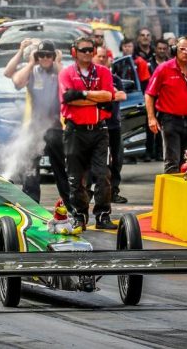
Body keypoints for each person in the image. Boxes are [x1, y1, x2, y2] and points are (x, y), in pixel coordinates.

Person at [59, 36, 124, 230]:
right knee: (75, 177)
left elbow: (108, 96)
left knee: (103, 174)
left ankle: (103, 215)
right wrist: (96, 98)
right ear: (74, 52)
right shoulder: (66, 73)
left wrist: (82, 94)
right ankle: (79, 215)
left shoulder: (103, 72)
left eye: (90, 50)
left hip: (99, 130)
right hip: (74, 131)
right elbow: (68, 98)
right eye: (83, 50)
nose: (87, 53)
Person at [8, 39, 69, 208]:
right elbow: (17, 82)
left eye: (49, 55)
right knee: (30, 166)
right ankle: (31, 202)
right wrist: (30, 62)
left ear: (54, 56)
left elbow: (68, 84)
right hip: (35, 128)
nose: (45, 58)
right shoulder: (32, 71)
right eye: (41, 55)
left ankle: (71, 203)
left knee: (61, 167)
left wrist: (58, 62)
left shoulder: (59, 72)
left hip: (55, 127)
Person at [145, 37, 187, 173]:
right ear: (175, 50)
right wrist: (151, 118)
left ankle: (184, 186)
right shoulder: (163, 69)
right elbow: (149, 94)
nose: (186, 52)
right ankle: (171, 186)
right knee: (172, 161)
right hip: (170, 120)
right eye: (182, 49)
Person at [96, 46, 128, 204]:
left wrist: (107, 95)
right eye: (99, 56)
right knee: (96, 161)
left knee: (117, 160)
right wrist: (111, 95)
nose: (102, 59)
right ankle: (93, 192)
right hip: (96, 124)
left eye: (105, 57)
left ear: (110, 60)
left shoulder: (116, 79)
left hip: (114, 126)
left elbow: (122, 95)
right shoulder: (91, 79)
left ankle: (113, 191)